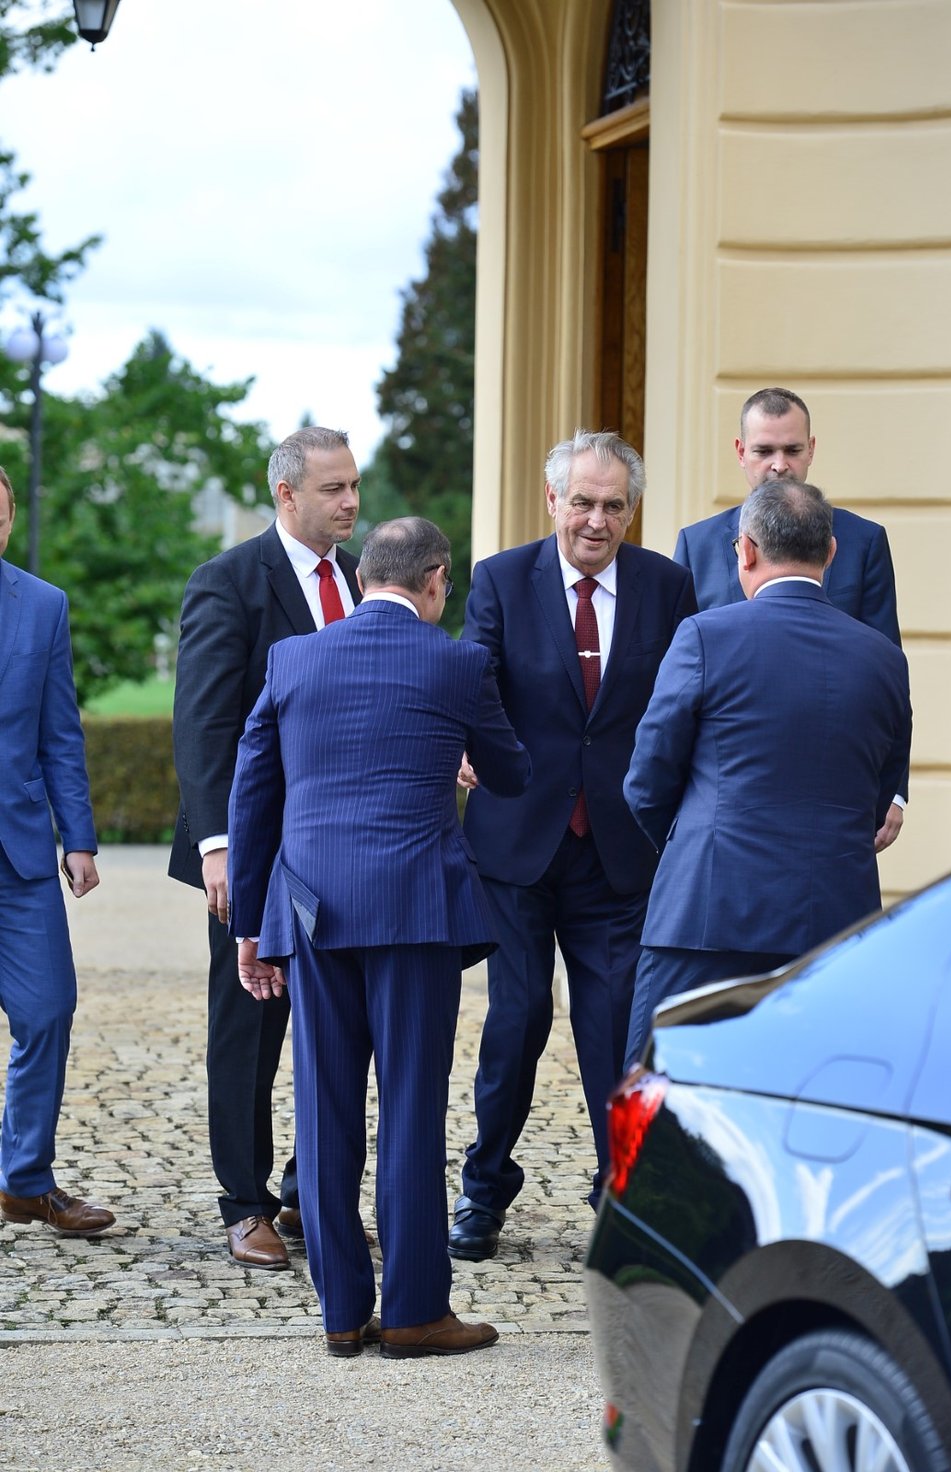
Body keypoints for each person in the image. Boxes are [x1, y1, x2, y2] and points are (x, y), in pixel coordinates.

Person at [227, 517, 530, 1356]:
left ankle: (339, 1314)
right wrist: (468, 754)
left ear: (365, 580)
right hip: (418, 914)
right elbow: (511, 772)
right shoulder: (460, 662)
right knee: (410, 1108)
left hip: (316, 912)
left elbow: (252, 797)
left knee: (323, 1110)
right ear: (434, 580)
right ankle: (414, 1312)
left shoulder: (295, 658)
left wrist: (252, 929)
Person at [447, 428, 698, 1262]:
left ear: (632, 511)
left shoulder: (667, 586)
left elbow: (687, 703)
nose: (596, 520)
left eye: (613, 505)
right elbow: (474, 674)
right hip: (517, 844)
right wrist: (462, 745)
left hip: (620, 850)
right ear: (552, 500)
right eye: (582, 502)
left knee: (619, 1031)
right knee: (517, 1020)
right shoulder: (501, 579)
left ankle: (622, 1192)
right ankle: (484, 1190)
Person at [623, 477, 912, 1063]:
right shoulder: (883, 658)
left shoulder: (705, 635)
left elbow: (647, 778)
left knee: (669, 1105)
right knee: (812, 1103)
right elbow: (882, 788)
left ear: (745, 551)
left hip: (704, 914)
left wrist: (692, 844)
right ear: (830, 553)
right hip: (833, 917)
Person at [169, 426, 362, 1269]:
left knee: (339, 1028)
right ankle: (243, 1203)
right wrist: (218, 849)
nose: (351, 502)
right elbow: (203, 725)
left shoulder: (359, 580)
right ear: (287, 494)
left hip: (346, 844)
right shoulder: (228, 583)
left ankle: (299, 1193)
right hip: (255, 851)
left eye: (355, 486)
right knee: (250, 1027)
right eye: (333, 489)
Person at [673, 385, 906, 850]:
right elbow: (672, 685)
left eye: (792, 449)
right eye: (764, 450)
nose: (779, 464)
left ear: (811, 450)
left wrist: (894, 789)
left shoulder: (863, 543)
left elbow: (888, 675)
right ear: (741, 452)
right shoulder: (696, 547)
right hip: (724, 796)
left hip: (830, 791)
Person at [0, 467, 115, 1237]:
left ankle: (22, 1180)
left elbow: (57, 735)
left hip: (19, 857)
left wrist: (78, 836)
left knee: (49, 1011)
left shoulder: (43, 606)